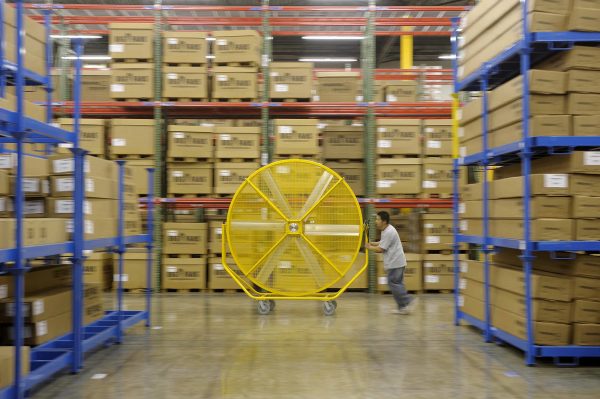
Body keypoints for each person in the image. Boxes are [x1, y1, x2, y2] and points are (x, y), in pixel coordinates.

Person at [366, 211, 417, 314]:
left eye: (378, 219)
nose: (376, 221)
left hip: (395, 263)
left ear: (384, 221)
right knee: (398, 284)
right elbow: (383, 242)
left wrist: (369, 247)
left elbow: (381, 249)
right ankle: (402, 308)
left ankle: (408, 300)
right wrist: (373, 243)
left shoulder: (389, 231)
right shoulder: (386, 230)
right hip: (396, 262)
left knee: (393, 283)